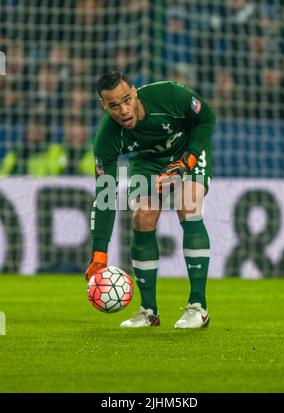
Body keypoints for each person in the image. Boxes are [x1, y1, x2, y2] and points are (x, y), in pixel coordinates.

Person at [85, 71, 216, 329]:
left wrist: (187, 159)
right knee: (142, 217)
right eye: (114, 106)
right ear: (104, 106)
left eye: (126, 100)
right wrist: (99, 254)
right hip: (148, 162)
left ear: (134, 91)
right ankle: (149, 312)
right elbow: (105, 196)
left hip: (187, 149)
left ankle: (198, 307)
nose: (123, 110)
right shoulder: (107, 139)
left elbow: (207, 118)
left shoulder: (168, 95)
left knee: (187, 203)